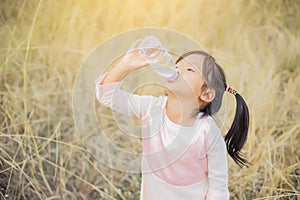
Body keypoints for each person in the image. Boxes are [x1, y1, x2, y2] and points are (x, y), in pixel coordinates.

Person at [95, 39, 249, 200]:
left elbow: (218, 190)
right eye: (176, 67)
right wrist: (125, 64)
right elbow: (107, 96)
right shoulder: (152, 109)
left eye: (189, 69)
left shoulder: (207, 133)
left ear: (206, 94)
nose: (177, 71)